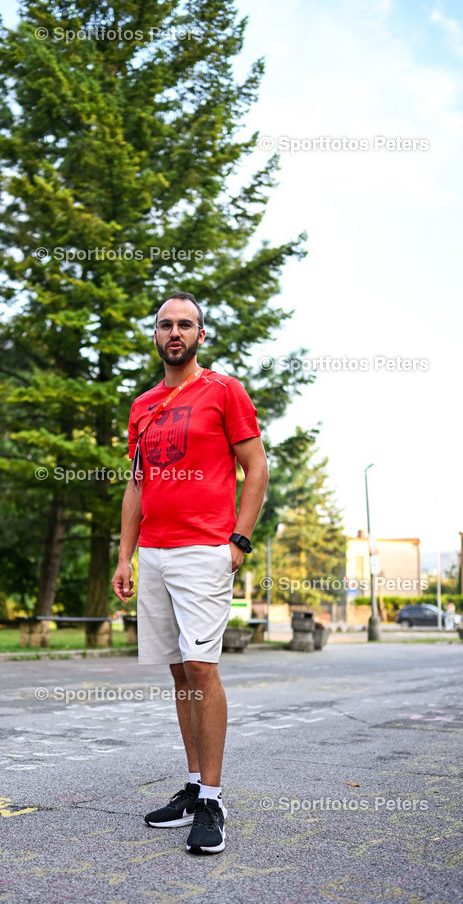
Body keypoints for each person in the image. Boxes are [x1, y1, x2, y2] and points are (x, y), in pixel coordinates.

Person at [111, 292, 268, 855]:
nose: (174, 332)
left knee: (203, 670)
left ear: (201, 334)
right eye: (164, 325)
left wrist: (239, 542)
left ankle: (215, 801)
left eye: (185, 324)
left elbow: (256, 467)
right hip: (152, 552)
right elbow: (137, 484)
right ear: (155, 336)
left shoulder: (224, 391)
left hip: (205, 550)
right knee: (180, 675)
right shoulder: (143, 404)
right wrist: (125, 554)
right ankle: (196, 785)